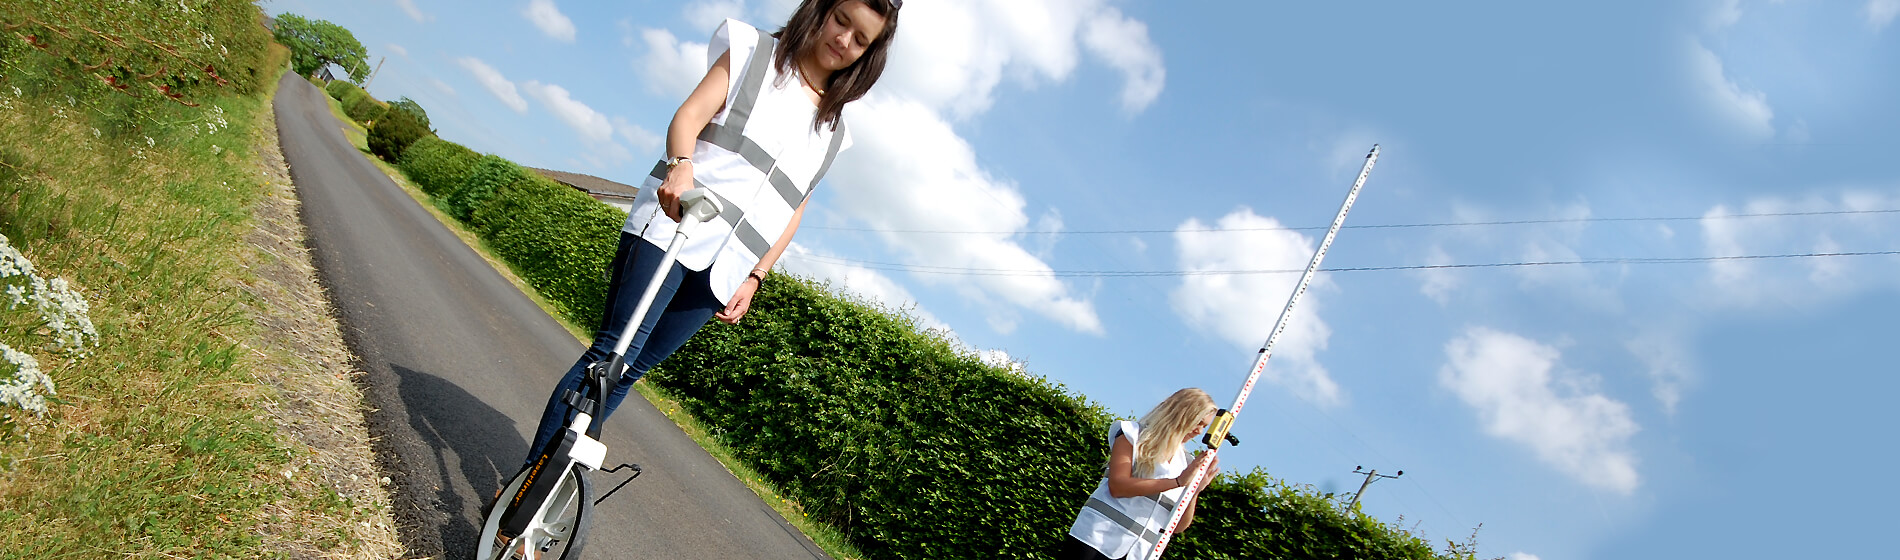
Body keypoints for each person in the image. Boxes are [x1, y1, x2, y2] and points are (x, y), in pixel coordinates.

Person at [521, 0, 902, 469]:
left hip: (726, 269)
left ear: (870, 56)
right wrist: (681, 168)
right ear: (820, 10)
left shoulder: (834, 130)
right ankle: (523, 495)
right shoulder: (753, 52)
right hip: (673, 227)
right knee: (611, 357)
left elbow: (792, 209)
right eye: (841, 21)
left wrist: (756, 276)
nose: (844, 40)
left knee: (630, 373)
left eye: (860, 39)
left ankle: (545, 490)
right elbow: (688, 117)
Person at [1065, 388, 1223, 560]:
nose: (1199, 431)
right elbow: (1118, 486)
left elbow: (1177, 527)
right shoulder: (1132, 434)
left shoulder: (1186, 463)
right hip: (1095, 539)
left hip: (1139, 553)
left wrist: (1194, 491)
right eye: (1198, 422)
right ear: (1182, 414)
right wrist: (1177, 481)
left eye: (1204, 426)